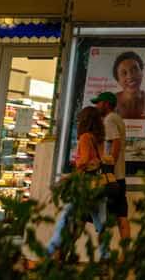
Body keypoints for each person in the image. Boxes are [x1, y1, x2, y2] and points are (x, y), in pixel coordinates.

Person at [46, 105, 109, 261]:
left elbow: (84, 162)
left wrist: (70, 176)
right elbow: (98, 161)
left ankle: (49, 252)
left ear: (85, 121)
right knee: (101, 224)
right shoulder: (99, 139)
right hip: (98, 184)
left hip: (84, 186)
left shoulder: (85, 137)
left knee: (65, 217)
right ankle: (106, 256)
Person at [93, 92, 131, 243]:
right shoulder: (117, 119)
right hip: (119, 177)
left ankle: (104, 254)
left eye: (99, 103)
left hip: (111, 178)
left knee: (103, 216)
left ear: (107, 104)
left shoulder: (109, 120)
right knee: (122, 215)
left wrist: (109, 168)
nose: (97, 106)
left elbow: (115, 142)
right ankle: (126, 254)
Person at [112, 52, 145, 120]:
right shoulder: (110, 102)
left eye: (134, 70)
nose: (130, 76)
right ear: (118, 80)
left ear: (142, 72)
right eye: (124, 73)